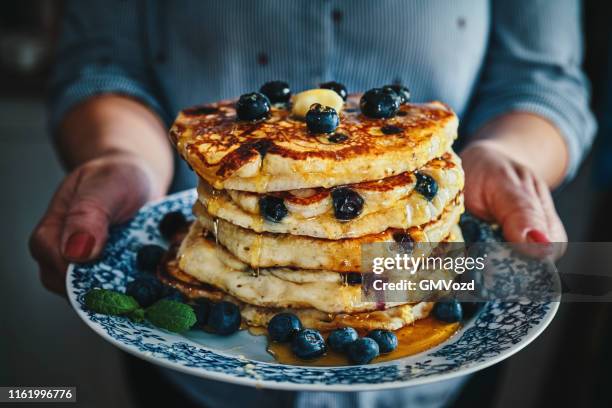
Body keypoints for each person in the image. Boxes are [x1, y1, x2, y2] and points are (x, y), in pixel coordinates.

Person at [29, 1, 595, 407]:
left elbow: (541, 80)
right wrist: (120, 157)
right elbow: (100, 64)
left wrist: (503, 155)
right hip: (198, 379)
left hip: (434, 362)